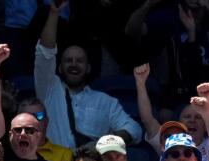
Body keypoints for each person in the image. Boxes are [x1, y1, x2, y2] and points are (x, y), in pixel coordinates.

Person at [33, 9, 142, 150]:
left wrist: (102, 145)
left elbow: (134, 130)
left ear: (88, 68)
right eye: (68, 60)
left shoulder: (105, 102)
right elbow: (44, 53)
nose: (73, 64)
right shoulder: (49, 90)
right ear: (59, 68)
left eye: (79, 61)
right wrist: (54, 13)